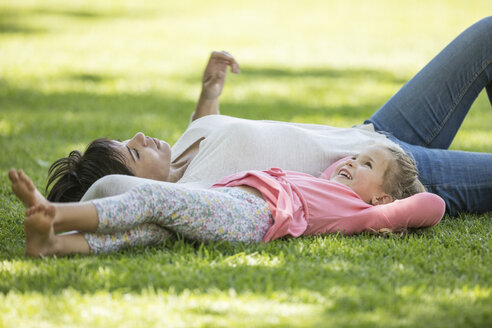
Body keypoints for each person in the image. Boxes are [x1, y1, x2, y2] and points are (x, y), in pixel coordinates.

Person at [47, 17, 492, 216]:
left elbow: (211, 131)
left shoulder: (183, 151)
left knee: (487, 34)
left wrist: (209, 94)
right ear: (138, 182)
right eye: (133, 150)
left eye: (132, 137)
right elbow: (115, 196)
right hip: (393, 177)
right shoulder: (203, 194)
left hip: (375, 132)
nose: (141, 136)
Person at [9, 143, 445, 257]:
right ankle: (54, 244)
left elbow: (432, 207)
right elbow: (338, 170)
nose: (351, 161)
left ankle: (56, 215)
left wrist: (403, 195)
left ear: (383, 198)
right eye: (355, 156)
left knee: (154, 201)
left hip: (252, 216)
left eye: (366, 164)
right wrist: (359, 167)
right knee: (153, 232)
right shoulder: (333, 184)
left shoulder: (363, 213)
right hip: (237, 207)